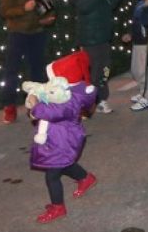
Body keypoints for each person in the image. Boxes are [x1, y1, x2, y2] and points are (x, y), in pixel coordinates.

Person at [24, 52, 100, 224]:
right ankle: (86, 178)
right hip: (61, 137)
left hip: (62, 139)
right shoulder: (68, 91)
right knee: (63, 164)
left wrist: (36, 104)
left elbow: (52, 112)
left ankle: (58, 207)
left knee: (52, 175)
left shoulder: (69, 99)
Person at [0, 0, 56, 123]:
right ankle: (9, 106)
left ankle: (38, 105)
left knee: (38, 70)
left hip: (37, 32)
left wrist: (46, 17)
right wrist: (24, 9)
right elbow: (4, 11)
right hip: (18, 33)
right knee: (12, 70)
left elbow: (49, 3)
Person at [70, 0, 131, 113]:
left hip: (102, 39)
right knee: (95, 72)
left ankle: (101, 99)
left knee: (104, 70)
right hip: (91, 41)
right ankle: (92, 100)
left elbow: (109, 5)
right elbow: (84, 6)